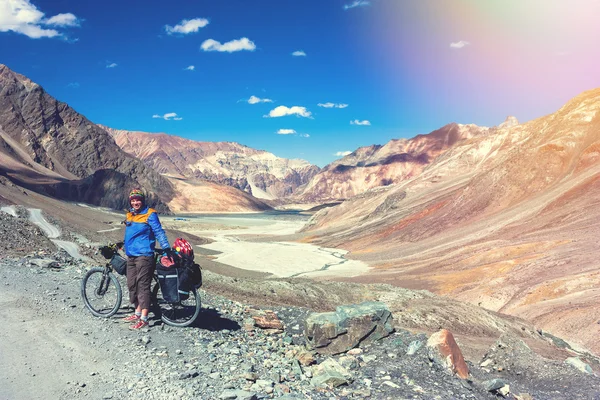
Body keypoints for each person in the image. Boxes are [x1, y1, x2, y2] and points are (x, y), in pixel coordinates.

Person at [122, 188, 171, 330]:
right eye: (133, 200)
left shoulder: (150, 214)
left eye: (138, 200)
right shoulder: (130, 215)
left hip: (144, 256)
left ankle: (144, 318)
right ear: (130, 201)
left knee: (143, 286)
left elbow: (159, 232)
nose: (136, 202)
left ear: (142, 201)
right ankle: (137, 313)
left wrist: (166, 248)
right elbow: (130, 233)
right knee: (132, 284)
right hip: (131, 255)